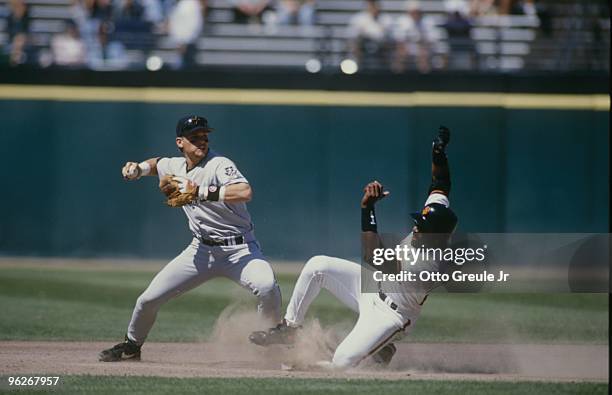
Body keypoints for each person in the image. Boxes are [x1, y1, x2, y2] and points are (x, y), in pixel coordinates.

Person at [249, 126, 457, 369]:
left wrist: (367, 209)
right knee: (318, 265)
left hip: (390, 315)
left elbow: (372, 257)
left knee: (342, 362)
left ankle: (373, 351)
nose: (416, 228)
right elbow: (440, 184)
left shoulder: (427, 265)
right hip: (373, 285)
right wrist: (438, 153)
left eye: (422, 226)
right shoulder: (436, 224)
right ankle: (290, 328)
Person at [99, 115, 282, 362]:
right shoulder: (174, 166)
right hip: (200, 251)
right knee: (147, 300)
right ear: (180, 142)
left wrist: (200, 192)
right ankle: (132, 347)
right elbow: (157, 164)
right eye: (194, 137)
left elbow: (244, 191)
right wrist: (138, 169)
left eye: (204, 136)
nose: (201, 141)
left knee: (268, 288)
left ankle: (271, 344)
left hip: (240, 250)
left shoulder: (219, 164)